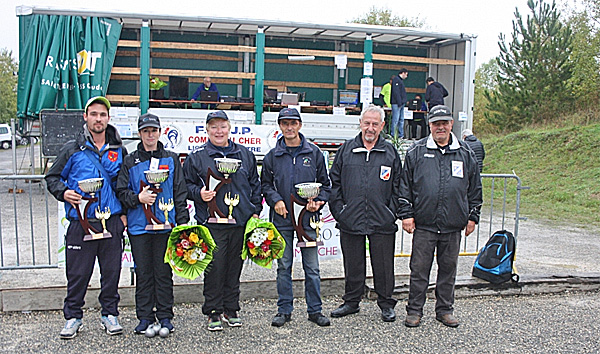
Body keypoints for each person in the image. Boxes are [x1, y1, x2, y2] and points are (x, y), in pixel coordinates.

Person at [45, 96, 127, 339]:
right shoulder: (72, 149)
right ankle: (73, 317)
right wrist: (64, 192)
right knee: (78, 274)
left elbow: (123, 186)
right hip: (81, 221)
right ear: (85, 116)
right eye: (94, 114)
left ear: (108, 118)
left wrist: (122, 215)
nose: (98, 119)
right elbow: (52, 178)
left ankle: (109, 314)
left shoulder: (119, 150)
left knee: (111, 272)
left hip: (110, 220)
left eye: (102, 115)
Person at [399, 105, 483, 328]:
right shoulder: (416, 152)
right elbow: (404, 186)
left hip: (452, 225)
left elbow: (475, 188)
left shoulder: (465, 153)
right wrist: (406, 214)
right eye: (436, 123)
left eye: (445, 123)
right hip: (424, 225)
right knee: (419, 270)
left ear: (451, 125)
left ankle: (445, 309)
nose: (441, 127)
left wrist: (473, 216)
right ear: (430, 125)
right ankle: (414, 310)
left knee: (448, 270)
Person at [182, 110, 262, 331]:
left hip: (240, 221)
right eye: (214, 127)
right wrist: (199, 193)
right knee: (214, 267)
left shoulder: (244, 155)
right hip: (212, 222)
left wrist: (255, 210)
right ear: (207, 130)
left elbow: (255, 185)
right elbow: (185, 185)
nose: (219, 131)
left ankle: (231, 308)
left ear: (230, 128)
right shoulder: (197, 157)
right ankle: (213, 311)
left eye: (222, 126)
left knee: (234, 267)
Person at [116, 113, 189, 334]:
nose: (150, 135)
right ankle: (145, 316)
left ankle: (166, 316)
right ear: (139, 134)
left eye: (154, 131)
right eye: (146, 131)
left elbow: (180, 191)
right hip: (139, 227)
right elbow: (121, 191)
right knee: (144, 272)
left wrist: (182, 225)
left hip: (166, 226)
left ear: (160, 132)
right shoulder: (129, 160)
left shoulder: (172, 158)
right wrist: (137, 199)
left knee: (164, 272)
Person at [329, 105, 401, 323]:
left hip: (382, 220)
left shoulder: (390, 152)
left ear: (382, 126)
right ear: (360, 124)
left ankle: (386, 304)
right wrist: (341, 212)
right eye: (367, 123)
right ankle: (352, 302)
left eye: (375, 124)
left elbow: (399, 185)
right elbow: (335, 183)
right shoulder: (346, 150)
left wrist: (391, 212)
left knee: (384, 265)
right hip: (351, 218)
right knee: (353, 263)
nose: (370, 128)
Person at [261, 108, 331, 328]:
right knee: (283, 266)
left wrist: (318, 201)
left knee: (312, 267)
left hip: (308, 219)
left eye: (293, 123)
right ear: (279, 127)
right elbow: (265, 184)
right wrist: (276, 200)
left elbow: (325, 185)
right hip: (281, 219)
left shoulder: (314, 153)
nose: (289, 128)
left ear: (300, 125)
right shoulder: (273, 155)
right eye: (284, 124)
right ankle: (284, 310)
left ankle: (315, 310)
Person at [391, 68, 408, 138]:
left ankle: (400, 135)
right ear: (403, 73)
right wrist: (399, 102)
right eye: (406, 75)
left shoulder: (398, 80)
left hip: (400, 103)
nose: (406, 76)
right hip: (397, 103)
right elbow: (396, 92)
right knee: (396, 119)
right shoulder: (396, 80)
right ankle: (394, 134)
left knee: (400, 119)